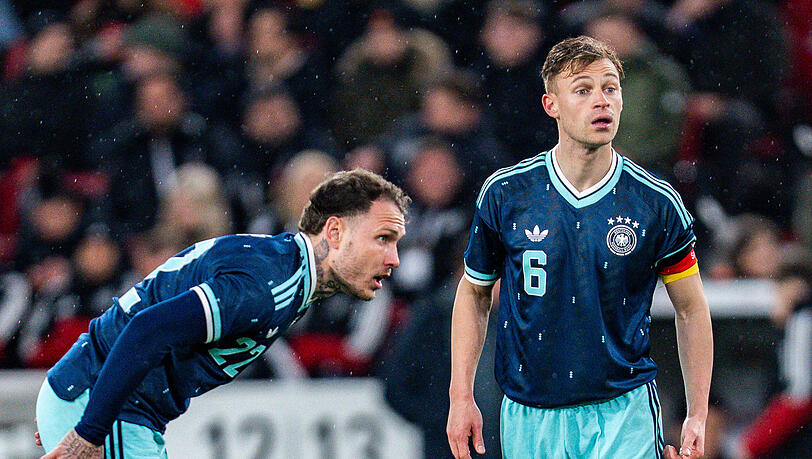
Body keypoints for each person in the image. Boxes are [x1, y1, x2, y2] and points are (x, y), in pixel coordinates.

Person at [446, 36, 713, 459]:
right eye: (583, 89)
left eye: (610, 88)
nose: (601, 101)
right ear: (552, 104)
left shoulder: (656, 203)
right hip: (529, 412)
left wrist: (697, 413)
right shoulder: (506, 193)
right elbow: (474, 292)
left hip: (624, 411)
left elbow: (691, 308)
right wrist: (461, 395)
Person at [34, 169, 410, 458]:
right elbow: (147, 329)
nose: (393, 259)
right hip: (110, 408)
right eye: (382, 238)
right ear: (334, 231)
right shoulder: (268, 285)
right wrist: (88, 428)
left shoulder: (285, 266)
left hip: (106, 400)